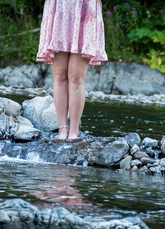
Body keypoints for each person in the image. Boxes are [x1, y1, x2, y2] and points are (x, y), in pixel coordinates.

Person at [37, 0, 108, 140]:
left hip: (85, 7)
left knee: (76, 76)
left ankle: (74, 131)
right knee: (60, 74)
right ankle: (62, 129)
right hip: (59, 8)